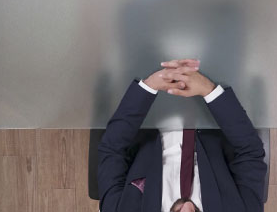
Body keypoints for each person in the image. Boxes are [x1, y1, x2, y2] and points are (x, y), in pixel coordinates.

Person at [98, 58, 266, 212]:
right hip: (212, 106)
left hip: (146, 106)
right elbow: (250, 151)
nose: (187, 208)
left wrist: (149, 86)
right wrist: (209, 91)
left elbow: (112, 149)